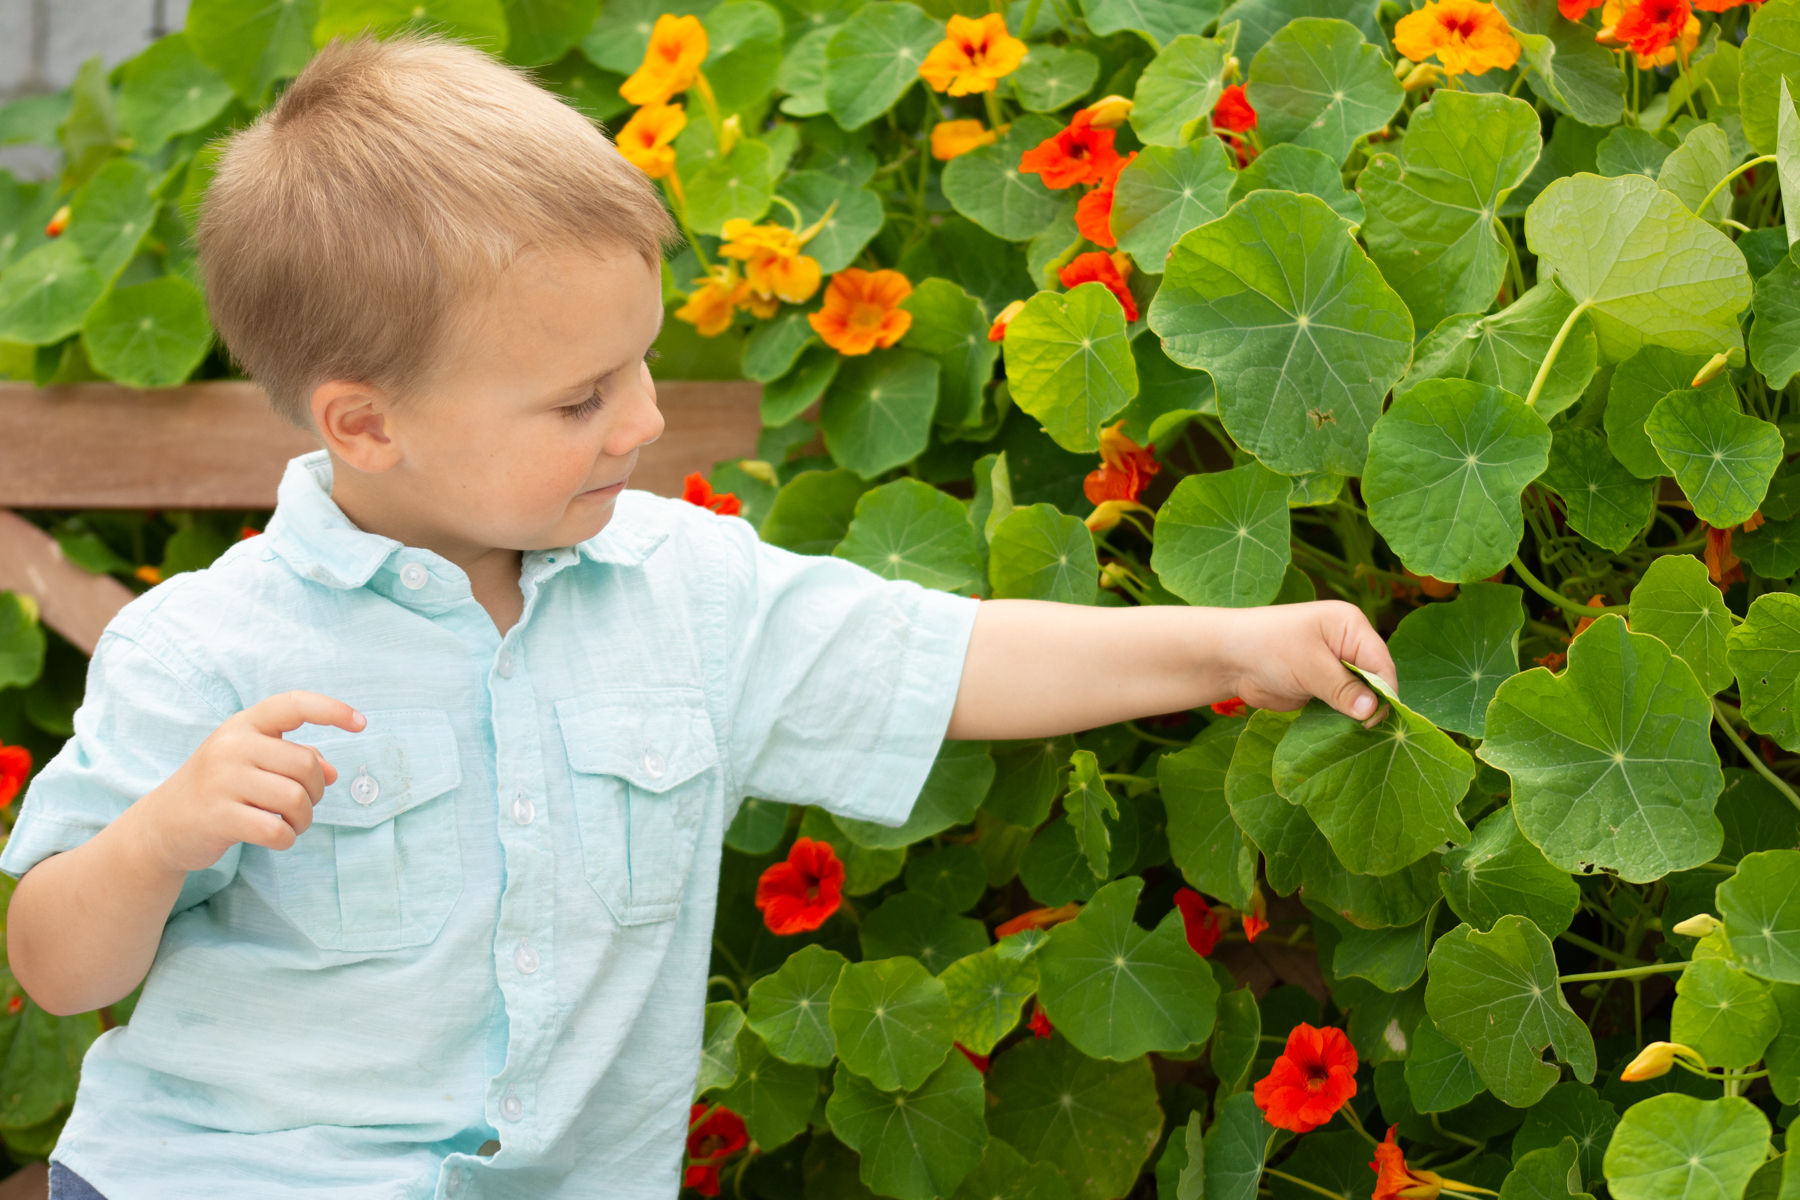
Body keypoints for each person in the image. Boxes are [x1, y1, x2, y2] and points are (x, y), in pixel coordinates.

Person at [1, 35, 1395, 1200]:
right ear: (366, 425)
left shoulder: (684, 589)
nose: (648, 419)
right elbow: (57, 966)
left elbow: (943, 658)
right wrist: (156, 838)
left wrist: (1226, 643)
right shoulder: (201, 647)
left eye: (644, 363)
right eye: (581, 398)